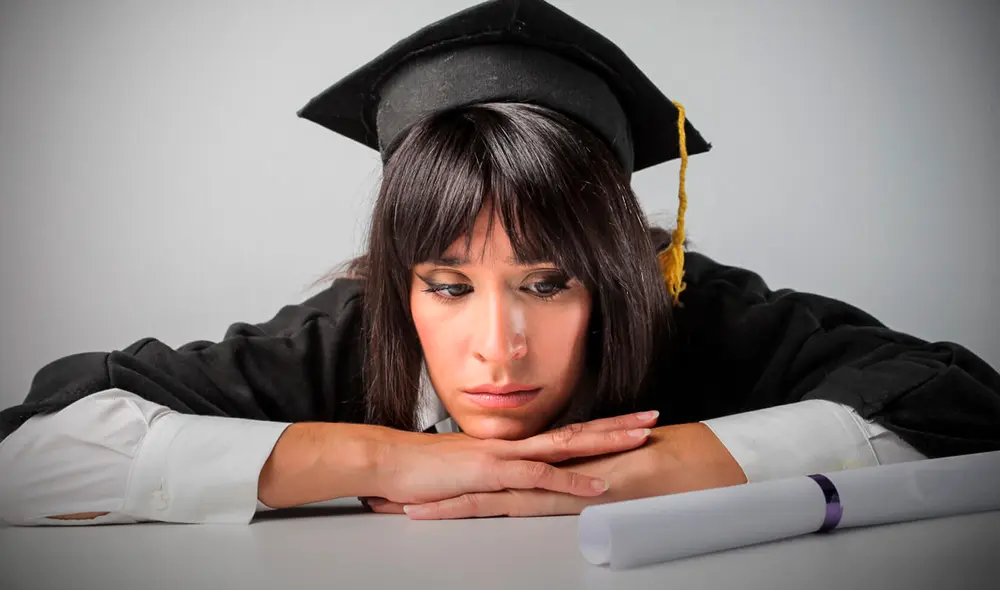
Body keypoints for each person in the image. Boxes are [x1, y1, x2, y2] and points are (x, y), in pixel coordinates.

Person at [1, 0, 998, 526]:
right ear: (398, 279)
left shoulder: (699, 312)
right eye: (447, 285)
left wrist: (662, 467)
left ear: (621, 269)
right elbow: (32, 447)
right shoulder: (345, 334)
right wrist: (385, 456)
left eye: (547, 283)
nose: (496, 346)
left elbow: (961, 404)